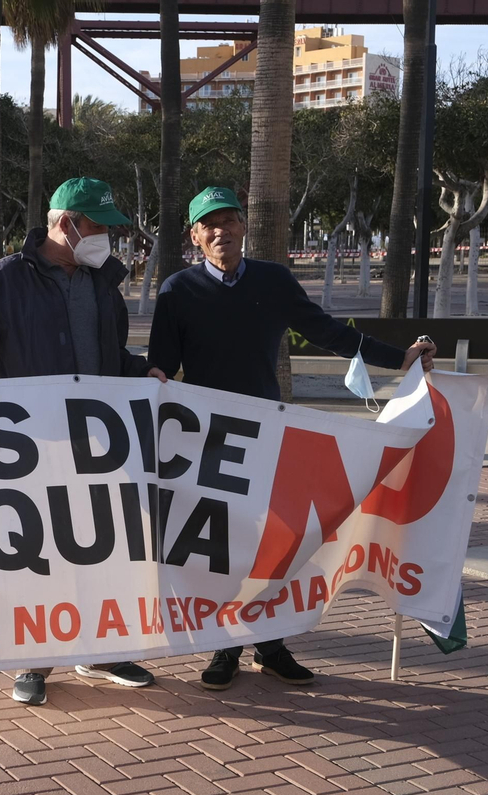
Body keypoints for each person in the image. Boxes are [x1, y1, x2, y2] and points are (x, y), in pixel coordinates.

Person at [0, 177, 168, 707]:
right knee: (38, 553)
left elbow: (108, 354)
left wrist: (144, 371)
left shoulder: (102, 283)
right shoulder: (6, 279)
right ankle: (33, 659)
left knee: (103, 549)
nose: (108, 238)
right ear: (66, 224)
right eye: (99, 227)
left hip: (101, 443)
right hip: (35, 445)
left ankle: (103, 649)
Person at [148, 186, 437, 692]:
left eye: (229, 220)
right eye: (208, 224)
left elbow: (327, 332)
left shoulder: (273, 281)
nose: (221, 231)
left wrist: (401, 357)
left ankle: (271, 643)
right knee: (223, 549)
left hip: (269, 436)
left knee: (274, 543)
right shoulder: (177, 290)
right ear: (195, 235)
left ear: (243, 226)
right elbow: (161, 368)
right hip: (209, 444)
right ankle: (225, 647)